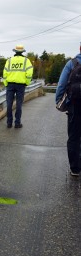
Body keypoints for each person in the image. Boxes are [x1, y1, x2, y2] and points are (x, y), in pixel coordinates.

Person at [55, 43, 81, 177]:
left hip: (75, 105)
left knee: (74, 137)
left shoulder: (72, 63)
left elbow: (61, 84)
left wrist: (59, 102)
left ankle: (75, 169)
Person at [2, 44, 33, 128]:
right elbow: (29, 73)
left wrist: (6, 83)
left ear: (15, 51)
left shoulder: (9, 60)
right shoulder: (26, 61)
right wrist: (27, 82)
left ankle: (9, 123)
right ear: (22, 52)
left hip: (10, 84)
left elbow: (5, 73)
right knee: (19, 104)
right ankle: (17, 123)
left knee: (9, 104)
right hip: (21, 85)